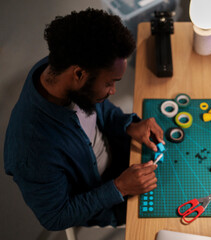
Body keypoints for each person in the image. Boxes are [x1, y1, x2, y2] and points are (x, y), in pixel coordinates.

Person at [4, 8, 164, 231]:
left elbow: (100, 108)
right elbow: (55, 217)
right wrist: (119, 188)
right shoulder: (32, 149)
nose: (113, 91)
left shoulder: (62, 65)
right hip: (100, 195)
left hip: (116, 155)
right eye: (110, 83)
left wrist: (128, 125)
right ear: (79, 74)